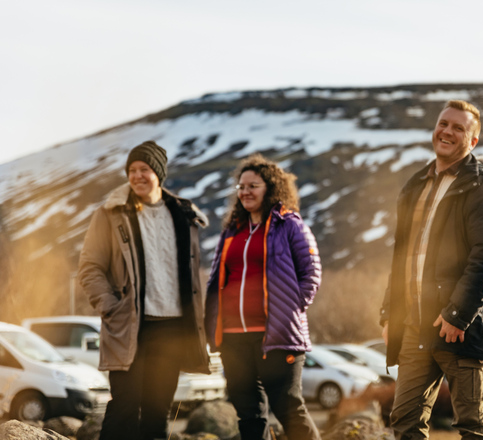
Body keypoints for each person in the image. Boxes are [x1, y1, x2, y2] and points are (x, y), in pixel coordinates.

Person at [380, 100, 483, 439]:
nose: (447, 131)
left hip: (461, 330)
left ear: (473, 141)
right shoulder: (415, 185)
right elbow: (402, 257)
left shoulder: (481, 187)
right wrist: (390, 314)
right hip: (414, 328)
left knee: (472, 427)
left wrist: (457, 315)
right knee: (404, 422)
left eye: (459, 128)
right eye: (443, 123)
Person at [78, 140, 210, 440]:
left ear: (159, 174)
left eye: (145, 169)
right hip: (130, 326)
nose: (137, 176)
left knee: (157, 410)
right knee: (124, 407)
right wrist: (110, 307)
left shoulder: (182, 215)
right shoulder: (110, 214)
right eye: (132, 170)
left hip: (173, 329)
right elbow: (90, 267)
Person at [205, 154, 322, 440]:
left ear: (270, 188)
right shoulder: (232, 231)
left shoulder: (289, 225)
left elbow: (312, 274)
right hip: (233, 337)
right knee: (248, 414)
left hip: (276, 336)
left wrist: (289, 311)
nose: (245, 192)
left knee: (288, 409)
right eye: (241, 187)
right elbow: (216, 278)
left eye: (253, 185)